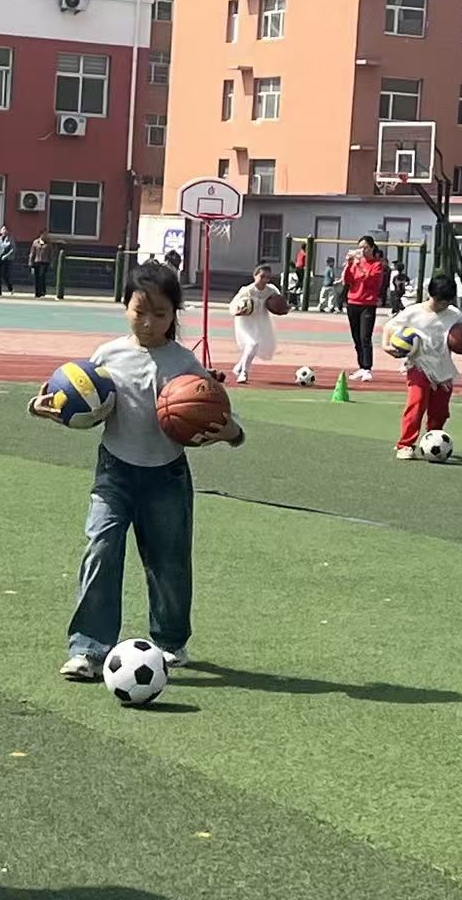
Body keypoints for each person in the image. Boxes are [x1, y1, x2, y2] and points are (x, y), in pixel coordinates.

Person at [29, 261, 244, 682]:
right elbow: (80, 405)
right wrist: (44, 408)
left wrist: (232, 433)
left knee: (169, 562)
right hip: (114, 472)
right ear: (125, 305)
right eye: (139, 311)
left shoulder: (185, 363)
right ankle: (89, 649)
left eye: (160, 314)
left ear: (174, 314)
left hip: (167, 477)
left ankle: (170, 641)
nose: (148, 322)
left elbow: (219, 415)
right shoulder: (106, 356)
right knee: (100, 548)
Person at [384, 275, 462, 460]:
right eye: (439, 301)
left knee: (440, 411)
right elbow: (389, 326)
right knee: (416, 403)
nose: (442, 306)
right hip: (418, 365)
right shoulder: (413, 312)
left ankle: (433, 439)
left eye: (447, 302)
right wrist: (386, 346)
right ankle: (405, 445)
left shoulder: (454, 314)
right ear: (430, 295)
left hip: (443, 370)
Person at [228, 263, 286, 384]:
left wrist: (284, 308)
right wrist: (237, 310)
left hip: (261, 321)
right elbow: (233, 305)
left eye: (268, 277)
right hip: (246, 322)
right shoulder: (247, 290)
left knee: (254, 346)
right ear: (255, 275)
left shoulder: (271, 290)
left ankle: (239, 367)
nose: (265, 280)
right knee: (252, 344)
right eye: (262, 276)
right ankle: (244, 372)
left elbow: (280, 302)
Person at [340, 236, 387, 382]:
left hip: (367, 304)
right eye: (360, 247)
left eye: (365, 247)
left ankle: (367, 368)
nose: (362, 250)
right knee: (356, 338)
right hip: (353, 302)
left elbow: (370, 281)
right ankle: (361, 366)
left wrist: (359, 266)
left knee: (365, 337)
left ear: (372, 248)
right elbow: (347, 280)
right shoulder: (355, 264)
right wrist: (349, 264)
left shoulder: (377, 265)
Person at [0, 226, 15, 295]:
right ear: (1, 231)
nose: (4, 231)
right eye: (3, 229)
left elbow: (12, 250)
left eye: (5, 229)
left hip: (6, 260)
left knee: (5, 275)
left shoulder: (10, 239)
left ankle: (10, 288)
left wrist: (6, 256)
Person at [29, 232, 53, 298]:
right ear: (40, 235)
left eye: (46, 235)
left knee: (42, 276)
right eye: (43, 235)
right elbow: (32, 253)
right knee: (37, 277)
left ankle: (42, 291)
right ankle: (37, 292)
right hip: (37, 262)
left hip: (45, 262)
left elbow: (51, 253)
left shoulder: (48, 243)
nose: (44, 236)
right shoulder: (35, 242)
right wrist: (30, 262)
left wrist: (51, 263)